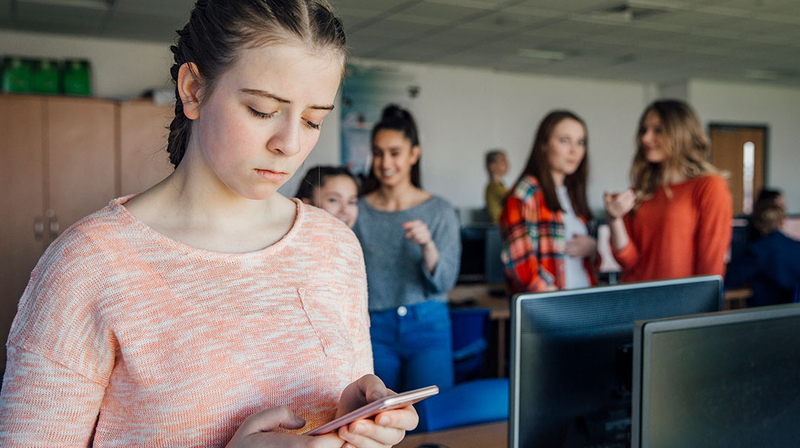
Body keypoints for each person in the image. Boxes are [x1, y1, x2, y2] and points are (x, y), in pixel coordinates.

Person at [0, 1, 417, 446]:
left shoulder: (335, 245)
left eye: (314, 119)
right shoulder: (89, 264)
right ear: (194, 90)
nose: (291, 144)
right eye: (262, 110)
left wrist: (353, 426)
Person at [353, 104, 461, 393]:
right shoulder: (357, 211)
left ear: (414, 154)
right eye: (378, 153)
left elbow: (445, 282)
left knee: (431, 419)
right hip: (374, 327)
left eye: (395, 152)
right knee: (379, 420)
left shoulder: (440, 211)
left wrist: (428, 246)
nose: (385, 162)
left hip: (427, 324)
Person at [605, 99, 733, 282]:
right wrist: (614, 218)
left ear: (681, 134)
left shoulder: (709, 186)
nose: (645, 138)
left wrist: (702, 309)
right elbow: (628, 260)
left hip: (679, 306)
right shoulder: (641, 190)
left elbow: (710, 269)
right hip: (635, 302)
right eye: (644, 130)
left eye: (658, 130)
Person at [499, 110, 598, 293]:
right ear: (544, 144)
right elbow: (517, 260)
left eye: (580, 142)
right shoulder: (527, 192)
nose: (574, 150)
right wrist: (550, 300)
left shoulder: (573, 193)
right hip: (551, 308)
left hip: (584, 302)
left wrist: (594, 247)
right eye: (564, 141)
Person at [726, 202, 800, 307]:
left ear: (757, 224)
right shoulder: (797, 246)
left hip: (765, 314)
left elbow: (731, 279)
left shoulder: (757, 251)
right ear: (783, 221)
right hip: (794, 314)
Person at [484, 149, 509, 223]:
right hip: (498, 230)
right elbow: (513, 198)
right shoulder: (493, 187)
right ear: (492, 166)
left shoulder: (499, 186)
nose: (507, 164)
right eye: (502, 161)